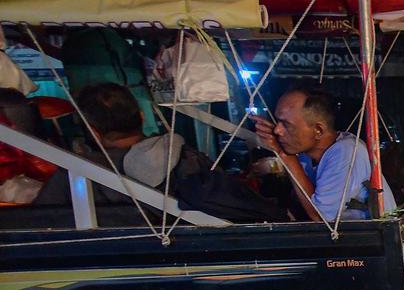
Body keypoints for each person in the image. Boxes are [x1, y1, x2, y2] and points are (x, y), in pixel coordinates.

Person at [33, 82, 284, 222]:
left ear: (94, 131)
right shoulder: (184, 158)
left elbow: (38, 223)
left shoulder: (75, 176)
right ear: (141, 117)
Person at [254, 85, 393, 221]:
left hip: (372, 239)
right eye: (278, 122)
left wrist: (285, 156)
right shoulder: (306, 155)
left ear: (318, 130)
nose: (277, 131)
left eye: (286, 125)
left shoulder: (346, 152)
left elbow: (321, 217)